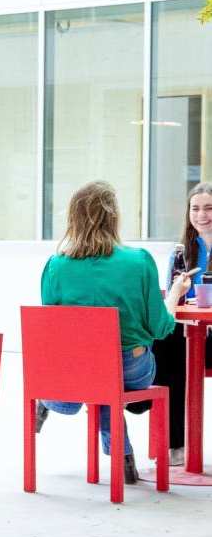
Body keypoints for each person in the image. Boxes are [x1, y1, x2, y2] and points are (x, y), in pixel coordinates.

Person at [36, 181, 190, 483]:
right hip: (133, 367)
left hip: (76, 370)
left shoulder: (55, 266)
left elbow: (53, 329)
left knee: (95, 376)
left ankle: (48, 403)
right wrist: (174, 293)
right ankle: (122, 455)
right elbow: (161, 328)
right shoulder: (138, 261)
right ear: (113, 217)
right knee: (107, 379)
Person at [152, 182, 212, 465]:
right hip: (190, 335)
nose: (202, 215)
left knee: (171, 349)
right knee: (167, 344)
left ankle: (136, 399)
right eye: (196, 208)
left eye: (209, 208)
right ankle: (176, 445)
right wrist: (178, 289)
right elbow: (170, 308)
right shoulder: (182, 253)